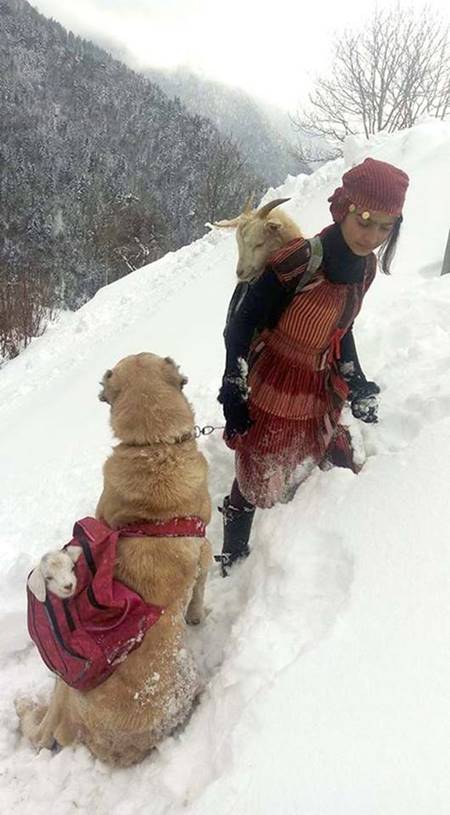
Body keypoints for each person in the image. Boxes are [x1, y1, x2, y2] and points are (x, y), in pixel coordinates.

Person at [216, 158, 409, 575]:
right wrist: (234, 385)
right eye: (364, 220)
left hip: (319, 381)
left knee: (325, 451)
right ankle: (233, 549)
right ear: (343, 208)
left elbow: (343, 328)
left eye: (385, 226)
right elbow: (242, 324)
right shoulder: (299, 260)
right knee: (257, 468)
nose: (372, 236)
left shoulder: (366, 268)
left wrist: (356, 380)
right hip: (275, 379)